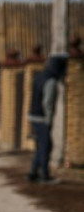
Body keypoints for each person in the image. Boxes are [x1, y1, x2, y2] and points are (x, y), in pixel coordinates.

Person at [27, 54, 68, 183]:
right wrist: (49, 121)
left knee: (41, 146)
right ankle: (44, 175)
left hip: (33, 115)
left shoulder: (39, 76)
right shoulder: (51, 81)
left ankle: (33, 173)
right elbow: (48, 103)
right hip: (42, 118)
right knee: (46, 147)